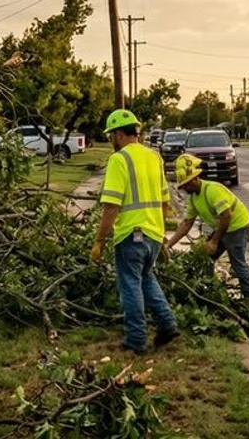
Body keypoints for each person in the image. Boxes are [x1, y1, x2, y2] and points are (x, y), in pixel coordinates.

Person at [91, 109, 180, 354]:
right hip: (151, 234)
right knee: (147, 278)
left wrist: (99, 241)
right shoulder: (154, 158)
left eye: (111, 135)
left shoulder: (120, 160)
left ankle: (136, 339)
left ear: (119, 134)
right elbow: (165, 201)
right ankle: (167, 324)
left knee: (129, 284)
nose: (111, 140)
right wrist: (160, 234)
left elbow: (111, 206)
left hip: (131, 234)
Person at [162, 154, 249, 302]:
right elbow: (186, 224)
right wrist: (169, 244)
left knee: (237, 263)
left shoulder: (212, 190)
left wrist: (214, 241)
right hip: (223, 225)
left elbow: (226, 216)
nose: (185, 188)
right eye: (183, 186)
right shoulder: (194, 198)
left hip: (238, 225)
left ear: (195, 178)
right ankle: (209, 289)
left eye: (187, 184)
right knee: (205, 257)